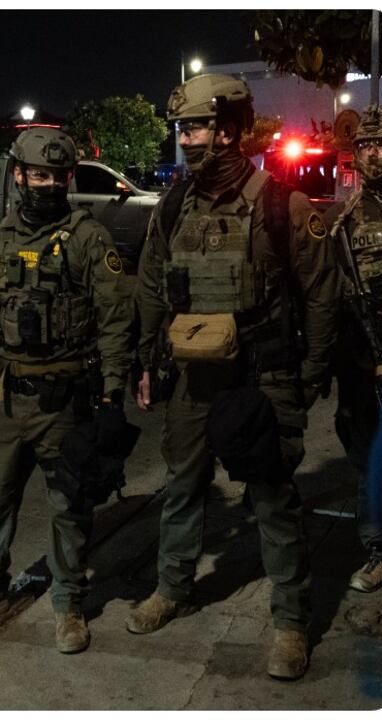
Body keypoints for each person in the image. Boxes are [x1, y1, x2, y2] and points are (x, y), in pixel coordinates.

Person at [131, 74, 340, 680]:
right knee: (182, 485)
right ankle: (173, 587)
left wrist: (307, 376)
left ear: (225, 131)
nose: (186, 139)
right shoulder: (173, 206)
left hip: (262, 372)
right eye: (182, 129)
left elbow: (321, 299)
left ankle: (291, 622)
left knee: (272, 496)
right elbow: (151, 287)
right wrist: (147, 362)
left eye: (193, 127)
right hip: (193, 374)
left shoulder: (283, 205)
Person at [0, 128, 133, 654]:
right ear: (18, 175)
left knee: (68, 507)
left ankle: (68, 604)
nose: (49, 184)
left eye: (58, 175)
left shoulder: (87, 237)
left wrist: (113, 395)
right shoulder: (4, 235)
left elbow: (116, 319)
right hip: (9, 396)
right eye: (39, 174)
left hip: (63, 396)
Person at [325, 104, 382, 594]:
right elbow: (339, 292)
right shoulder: (346, 221)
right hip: (373, 358)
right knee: (369, 451)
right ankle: (378, 549)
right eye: (365, 146)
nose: (373, 153)